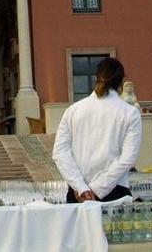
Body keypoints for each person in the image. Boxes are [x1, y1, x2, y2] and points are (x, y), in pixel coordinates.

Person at [52, 57, 142, 203]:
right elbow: (127, 159)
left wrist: (81, 187)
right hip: (114, 191)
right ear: (121, 81)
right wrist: (97, 188)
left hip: (77, 194)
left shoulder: (73, 110)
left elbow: (60, 153)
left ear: (96, 78)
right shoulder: (130, 113)